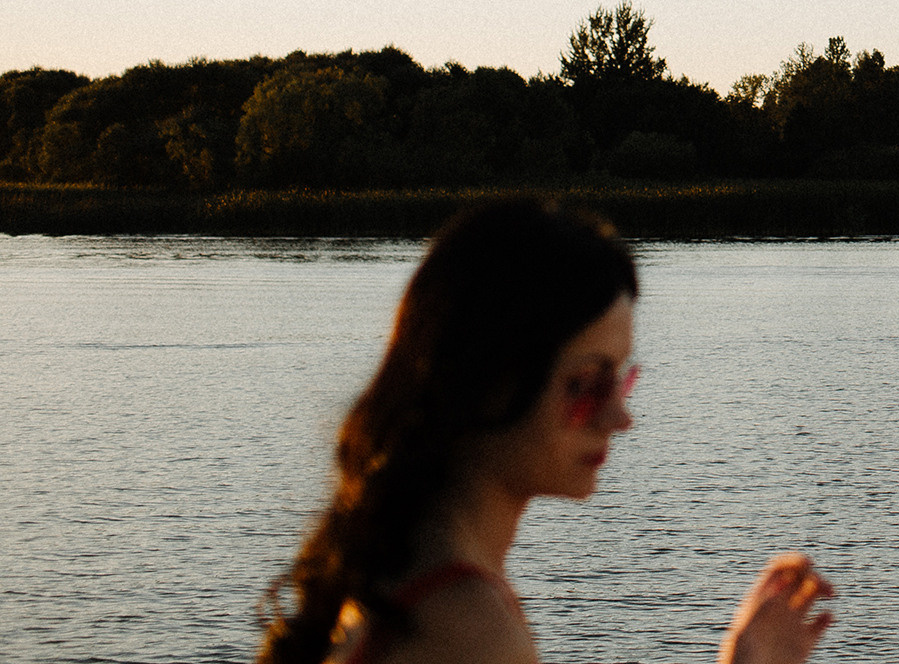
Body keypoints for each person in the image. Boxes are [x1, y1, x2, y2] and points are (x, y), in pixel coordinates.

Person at [257, 198, 835, 664]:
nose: (620, 418)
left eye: (621, 381)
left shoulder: (400, 565)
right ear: (487, 381)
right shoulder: (468, 628)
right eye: (586, 385)